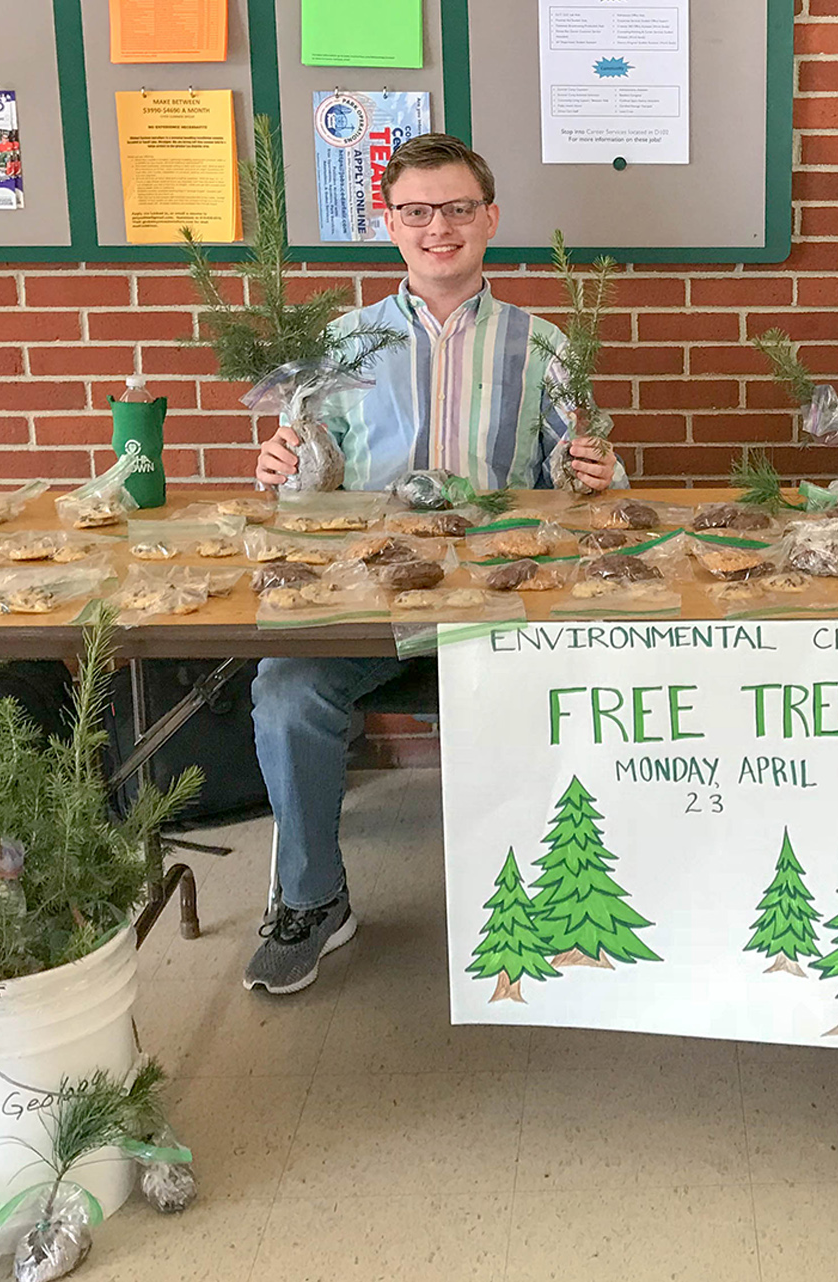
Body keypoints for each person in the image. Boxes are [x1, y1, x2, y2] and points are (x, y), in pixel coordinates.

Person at [245, 132, 621, 996]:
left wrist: (596, 473)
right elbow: (310, 478)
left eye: (457, 209)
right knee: (286, 690)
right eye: (416, 211)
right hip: (371, 602)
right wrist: (283, 467)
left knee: (578, 690)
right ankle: (313, 898)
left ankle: (570, 900)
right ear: (390, 223)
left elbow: (583, 484)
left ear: (490, 218)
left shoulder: (546, 345)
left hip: (500, 606)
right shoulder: (341, 342)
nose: (438, 227)